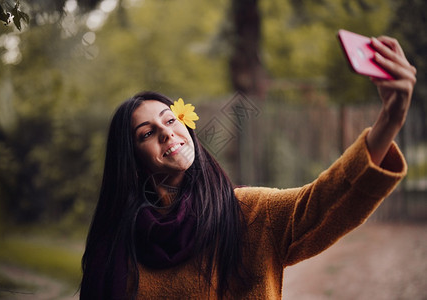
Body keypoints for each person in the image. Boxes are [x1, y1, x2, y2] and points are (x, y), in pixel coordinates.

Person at [79, 36, 416, 299]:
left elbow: (325, 199)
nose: (167, 131)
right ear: (132, 161)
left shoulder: (249, 213)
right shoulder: (116, 249)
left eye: (170, 119)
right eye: (148, 133)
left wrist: (389, 119)